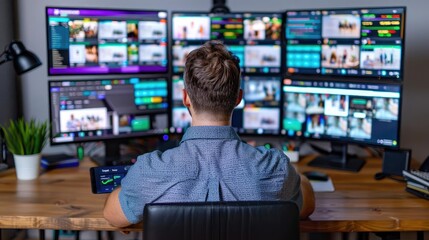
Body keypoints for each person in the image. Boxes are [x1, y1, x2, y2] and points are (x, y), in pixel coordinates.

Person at [103, 41, 315, 228]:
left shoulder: (151, 171)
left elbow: (112, 215)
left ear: (186, 98)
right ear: (238, 98)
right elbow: (307, 206)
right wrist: (299, 177)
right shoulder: (275, 168)